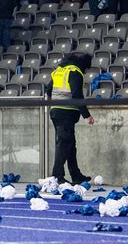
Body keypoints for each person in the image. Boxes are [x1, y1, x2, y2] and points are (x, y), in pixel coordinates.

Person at [46, 52, 94, 184]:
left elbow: (48, 89)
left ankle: (76, 175)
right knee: (64, 144)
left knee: (69, 144)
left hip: (56, 111)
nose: (86, 71)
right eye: (87, 68)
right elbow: (77, 94)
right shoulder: (75, 71)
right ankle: (57, 176)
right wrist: (87, 115)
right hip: (66, 113)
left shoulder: (59, 70)